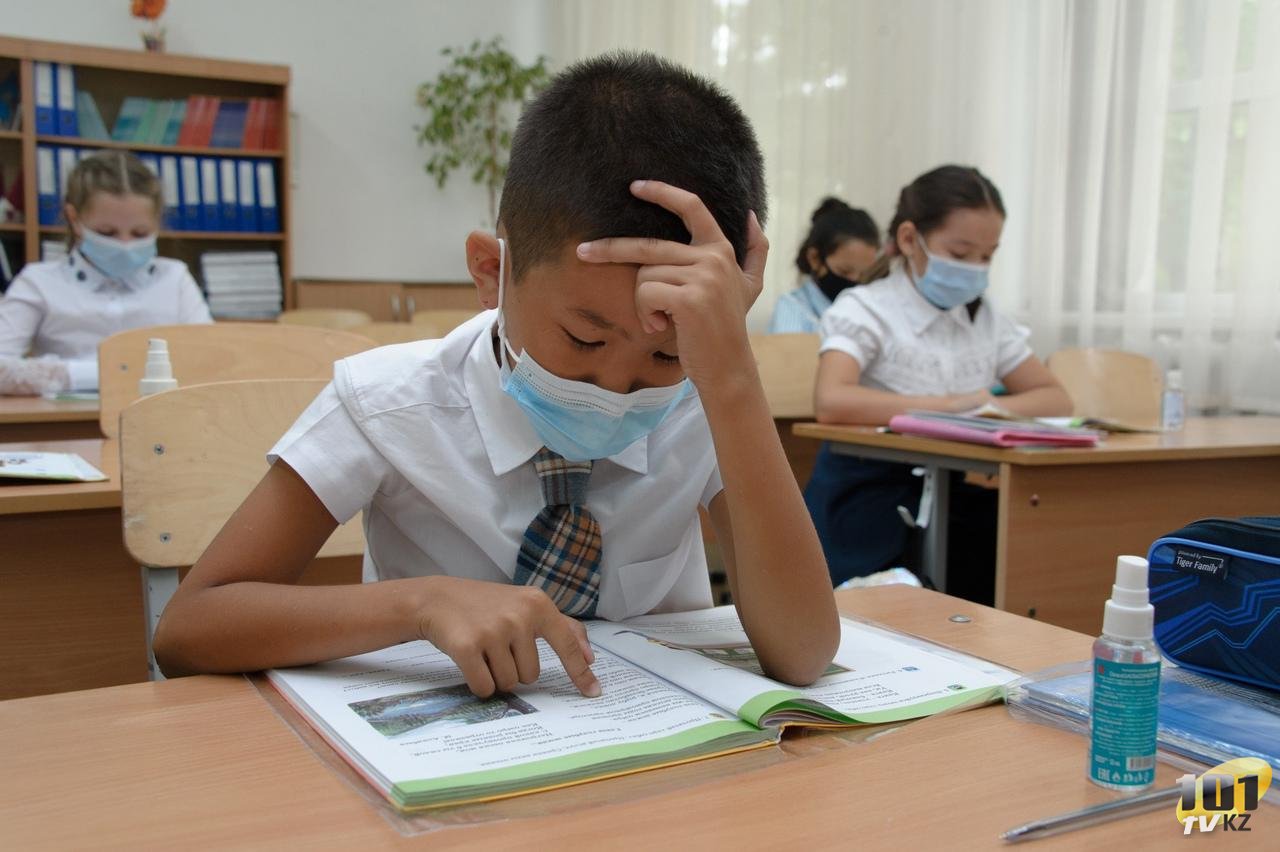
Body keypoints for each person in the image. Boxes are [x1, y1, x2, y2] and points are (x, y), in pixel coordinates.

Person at [153, 52, 840, 699]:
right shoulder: (389, 402)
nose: (613, 387)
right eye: (584, 337)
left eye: (667, 354)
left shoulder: (708, 397)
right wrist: (419, 602)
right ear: (492, 272)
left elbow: (805, 653)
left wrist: (731, 377)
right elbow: (188, 630)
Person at [804, 164, 1071, 601]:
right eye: (961, 254)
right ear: (910, 239)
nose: (975, 269)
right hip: (864, 500)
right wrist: (949, 408)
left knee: (1021, 551)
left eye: (987, 257)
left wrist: (985, 408)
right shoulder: (866, 308)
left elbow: (1055, 399)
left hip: (950, 497)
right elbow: (832, 401)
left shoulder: (985, 318)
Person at [0, 150, 211, 396]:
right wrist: (102, 373)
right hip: (68, 418)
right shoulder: (39, 282)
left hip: (160, 416)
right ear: (74, 219)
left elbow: (214, 359)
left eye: (140, 233)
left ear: (157, 222)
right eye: (107, 232)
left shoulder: (175, 278)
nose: (125, 245)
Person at [768, 197, 879, 334]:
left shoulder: (868, 309)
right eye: (844, 271)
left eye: (863, 274)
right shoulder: (793, 308)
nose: (855, 280)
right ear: (815, 259)